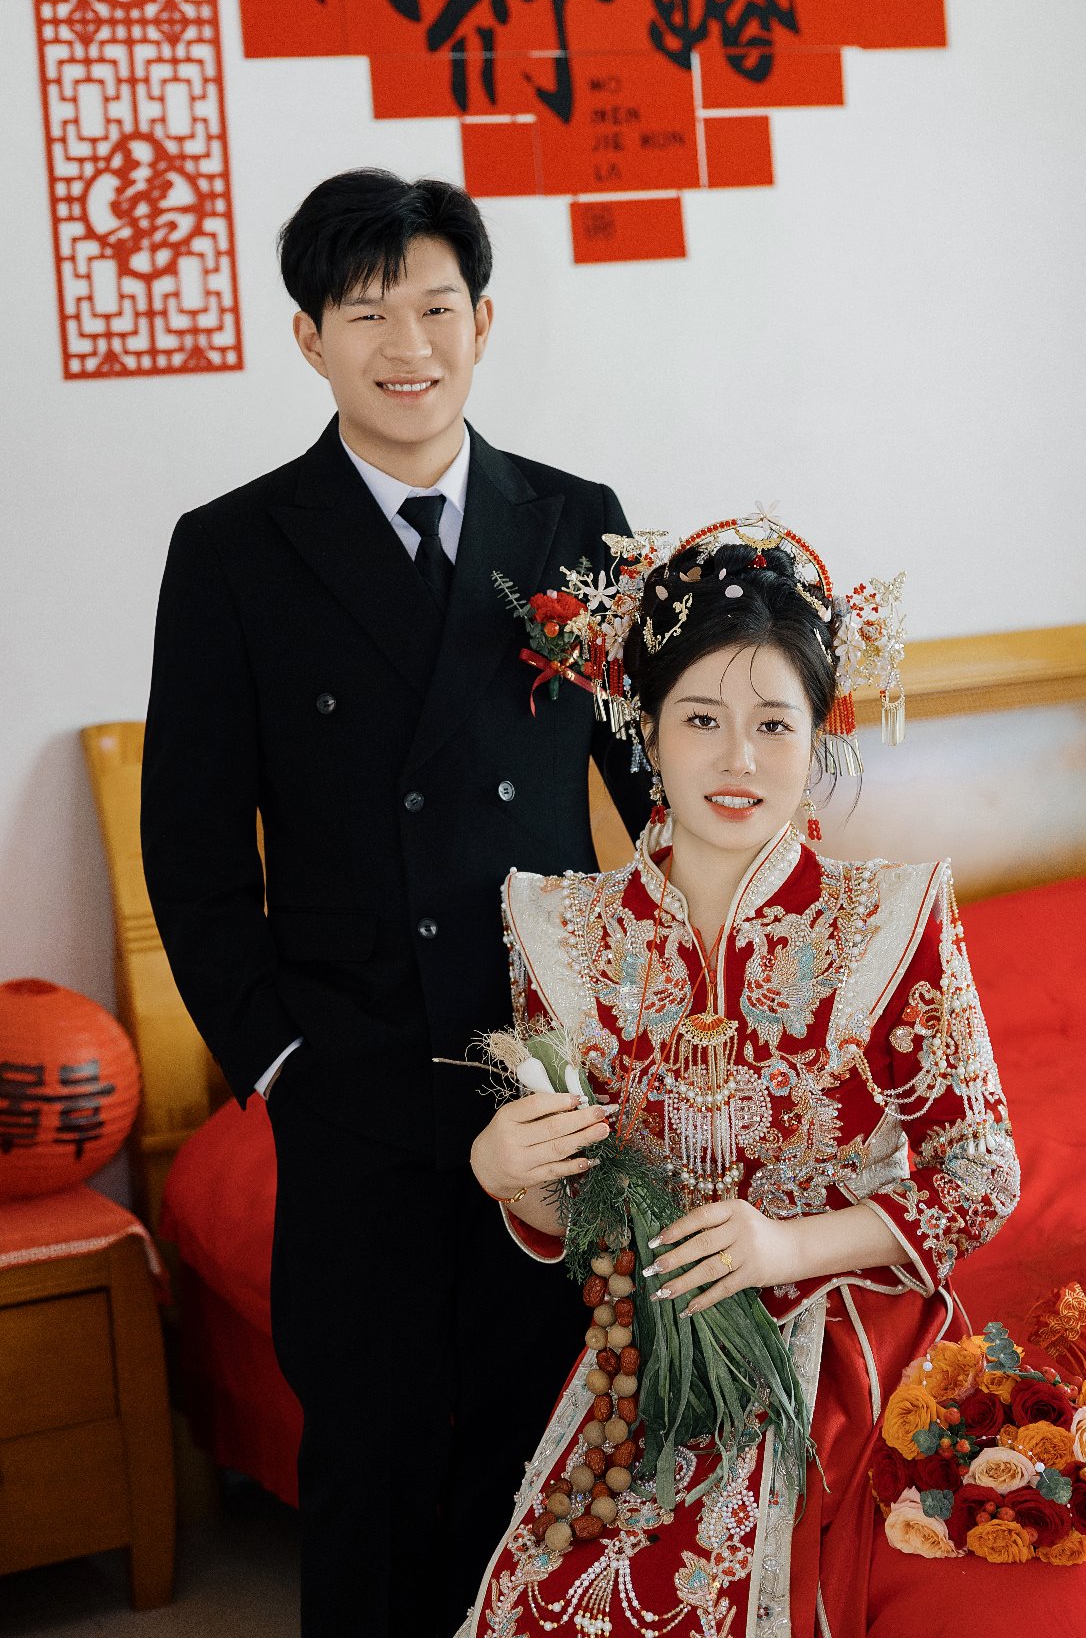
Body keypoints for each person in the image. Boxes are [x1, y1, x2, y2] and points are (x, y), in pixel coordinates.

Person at [140, 169, 649, 1637]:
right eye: (367, 314)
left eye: (436, 307)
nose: (407, 345)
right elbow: (191, 851)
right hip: (355, 1085)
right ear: (309, 336)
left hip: (547, 1079)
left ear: (485, 320)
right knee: (374, 1471)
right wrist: (284, 1061)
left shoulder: (579, 522)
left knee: (545, 1456)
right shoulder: (233, 548)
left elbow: (664, 791)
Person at [463, 517, 1019, 1638]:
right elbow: (589, 1206)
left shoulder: (891, 918)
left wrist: (786, 1249)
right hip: (653, 1359)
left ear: (819, 734)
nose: (738, 760)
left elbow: (982, 1173)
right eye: (701, 719)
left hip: (849, 1339)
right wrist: (505, 1172)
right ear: (643, 726)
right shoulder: (556, 930)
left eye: (773, 723)